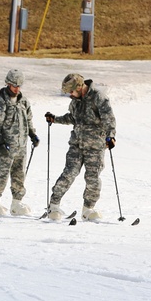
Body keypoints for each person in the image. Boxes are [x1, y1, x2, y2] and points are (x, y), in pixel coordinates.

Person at [44, 73, 116, 221]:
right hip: (77, 144)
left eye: (71, 91)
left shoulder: (98, 98)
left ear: (79, 87)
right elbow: (72, 117)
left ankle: (88, 209)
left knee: (93, 178)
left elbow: (109, 119)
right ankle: (53, 206)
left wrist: (111, 136)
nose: (70, 95)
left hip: (95, 146)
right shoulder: (75, 101)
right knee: (69, 173)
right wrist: (55, 119)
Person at [0, 68, 39, 216]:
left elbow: (28, 120)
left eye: (19, 86)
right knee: (2, 175)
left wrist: (33, 135)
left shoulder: (23, 101)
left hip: (21, 146)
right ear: (8, 84)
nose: (17, 88)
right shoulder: (0, 102)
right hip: (6, 146)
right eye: (14, 85)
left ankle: (16, 204)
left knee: (19, 175)